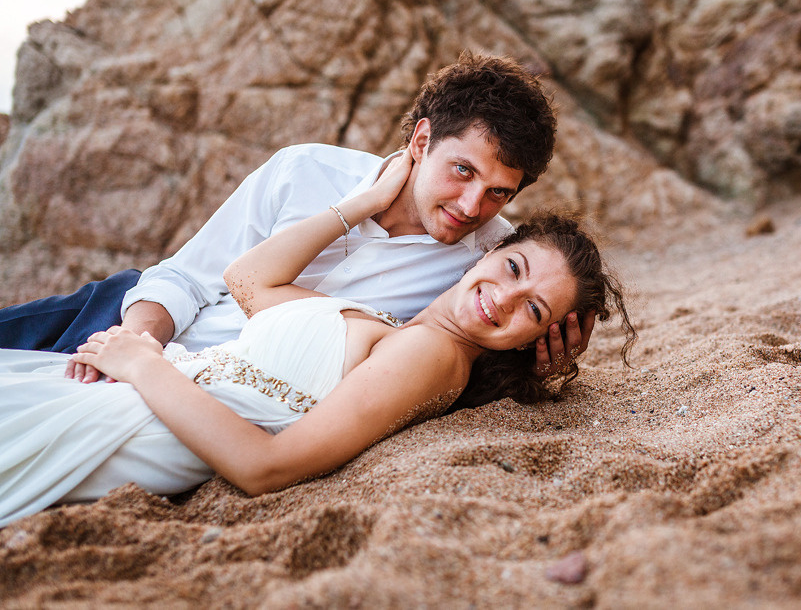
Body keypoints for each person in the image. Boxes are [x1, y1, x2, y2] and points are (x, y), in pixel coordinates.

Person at [0, 148, 635, 526]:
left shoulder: (431, 355)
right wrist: (363, 202)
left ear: (535, 338)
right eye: (513, 268)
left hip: (136, 422)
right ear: (489, 251)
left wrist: (143, 365)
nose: (503, 298)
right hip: (128, 376)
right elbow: (245, 277)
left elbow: (263, 469)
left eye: (532, 311)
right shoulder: (391, 327)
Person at [0, 52, 593, 382]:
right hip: (129, 317)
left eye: (497, 193)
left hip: (223, 384)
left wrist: (544, 360)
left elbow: (500, 326)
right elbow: (187, 277)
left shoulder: (492, 266)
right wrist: (133, 345)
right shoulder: (306, 171)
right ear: (421, 140)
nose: (472, 208)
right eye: (462, 171)